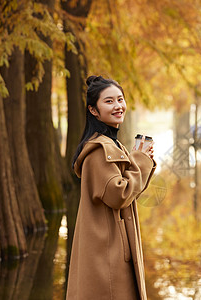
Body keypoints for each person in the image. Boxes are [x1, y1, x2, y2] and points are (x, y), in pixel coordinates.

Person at [66, 75, 156, 300]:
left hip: (113, 250)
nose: (118, 106)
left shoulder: (113, 144)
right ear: (93, 110)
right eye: (109, 101)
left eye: (120, 99)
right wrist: (141, 161)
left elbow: (128, 193)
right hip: (108, 256)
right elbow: (119, 194)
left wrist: (139, 160)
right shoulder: (98, 151)